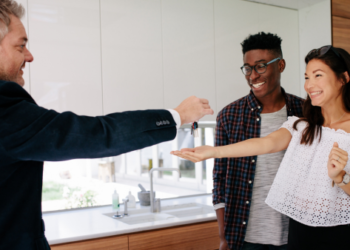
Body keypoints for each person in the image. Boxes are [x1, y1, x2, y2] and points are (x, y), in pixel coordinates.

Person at [0, 1, 214, 250]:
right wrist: (177, 115)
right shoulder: (5, 107)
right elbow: (98, 134)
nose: (29, 55)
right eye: (21, 45)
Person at [172, 45, 350, 250]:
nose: (309, 85)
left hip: (340, 233)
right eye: (307, 77)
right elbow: (266, 143)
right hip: (300, 232)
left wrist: (341, 178)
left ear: (343, 78)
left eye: (318, 75)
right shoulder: (303, 126)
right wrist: (214, 151)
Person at [203, 32, 304, 250]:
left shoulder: (305, 111)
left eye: (260, 66)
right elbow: (219, 179)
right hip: (244, 235)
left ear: (281, 65)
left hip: (295, 233)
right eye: (247, 68)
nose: (253, 76)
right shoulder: (229, 116)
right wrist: (223, 237)